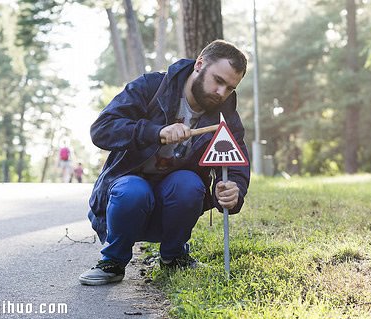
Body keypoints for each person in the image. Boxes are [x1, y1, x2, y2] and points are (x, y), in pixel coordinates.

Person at [79, 40, 251, 286]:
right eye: (218, 81)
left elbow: (236, 163)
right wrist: (155, 132)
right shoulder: (151, 87)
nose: (221, 93)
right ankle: (113, 262)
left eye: (230, 88)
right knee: (133, 190)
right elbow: (102, 130)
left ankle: (174, 256)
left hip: (173, 200)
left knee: (189, 184)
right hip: (127, 195)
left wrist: (235, 189)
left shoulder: (226, 115)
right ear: (199, 64)